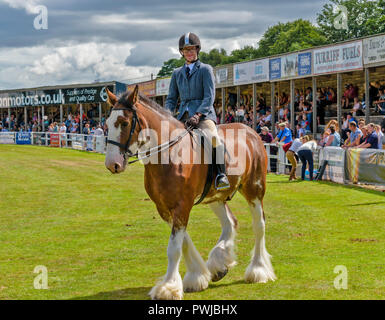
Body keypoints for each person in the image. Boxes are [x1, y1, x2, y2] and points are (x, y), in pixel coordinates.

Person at [165, 32, 229, 190]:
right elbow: (172, 98)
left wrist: (198, 114)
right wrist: (166, 115)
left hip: (204, 115)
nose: (189, 52)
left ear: (197, 50)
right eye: (186, 50)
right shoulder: (176, 73)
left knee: (214, 139)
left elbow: (209, 96)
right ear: (182, 52)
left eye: (192, 49)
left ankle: (221, 175)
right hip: (182, 116)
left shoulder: (205, 69)